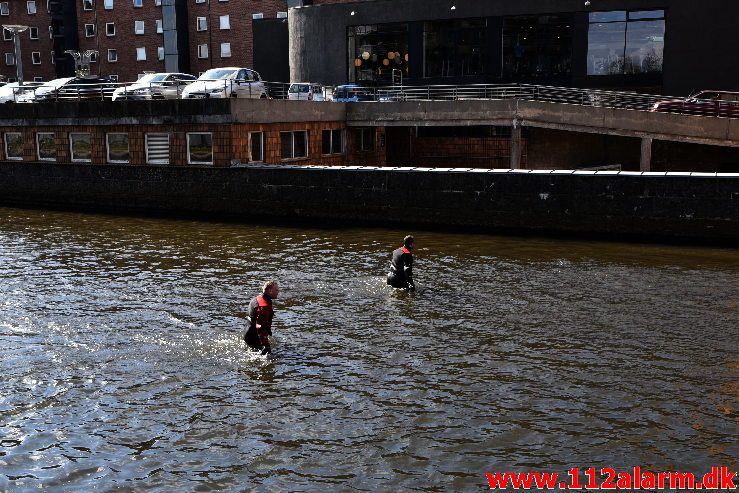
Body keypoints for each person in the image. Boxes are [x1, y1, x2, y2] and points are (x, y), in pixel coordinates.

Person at [244, 280, 279, 354]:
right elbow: (260, 327)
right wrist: (266, 346)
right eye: (276, 290)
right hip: (254, 337)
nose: (278, 292)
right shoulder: (264, 306)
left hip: (248, 332)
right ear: (270, 291)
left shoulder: (257, 298)